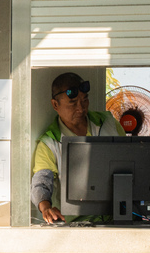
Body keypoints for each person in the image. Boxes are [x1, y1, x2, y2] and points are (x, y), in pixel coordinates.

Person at [31, 72, 126, 223]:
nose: (81, 108)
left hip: (118, 219)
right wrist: (45, 207)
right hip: (77, 225)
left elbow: (129, 159)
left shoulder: (108, 123)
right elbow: (41, 182)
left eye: (84, 100)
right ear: (55, 104)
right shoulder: (50, 143)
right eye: (73, 103)